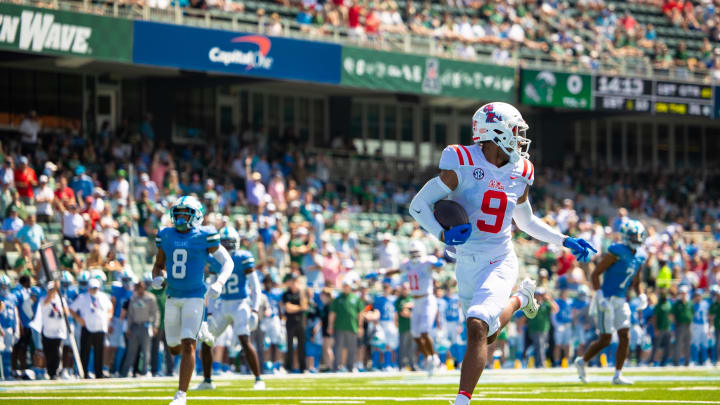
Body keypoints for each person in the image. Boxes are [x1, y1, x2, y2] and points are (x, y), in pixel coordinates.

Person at [408, 102, 596, 405]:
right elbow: (418, 205)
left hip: (499, 260)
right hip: (466, 263)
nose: (520, 138)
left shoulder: (520, 170)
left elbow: (525, 221)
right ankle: (522, 298)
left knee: (477, 325)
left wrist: (565, 240)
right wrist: (442, 234)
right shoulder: (461, 160)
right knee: (489, 334)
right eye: (515, 130)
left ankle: (461, 401)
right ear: (495, 132)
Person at [151, 196, 233, 405]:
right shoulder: (166, 235)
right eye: (177, 213)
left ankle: (181, 395)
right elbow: (159, 263)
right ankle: (202, 329)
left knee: (188, 344)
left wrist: (220, 283)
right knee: (173, 347)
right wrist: (157, 277)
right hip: (172, 296)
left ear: (195, 216)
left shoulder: (204, 235)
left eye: (184, 213)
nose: (179, 218)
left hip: (195, 296)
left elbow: (227, 262)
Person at [575, 220, 647, 385]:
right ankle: (582, 360)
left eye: (638, 236)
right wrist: (599, 295)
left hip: (621, 299)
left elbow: (636, 281)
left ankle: (618, 375)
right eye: (633, 236)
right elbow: (595, 274)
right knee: (605, 339)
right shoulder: (617, 251)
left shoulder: (640, 255)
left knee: (625, 335)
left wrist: (641, 294)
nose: (637, 239)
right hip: (605, 298)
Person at [197, 227, 264, 390]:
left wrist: (255, 310)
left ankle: (258, 379)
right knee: (207, 341)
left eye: (229, 244)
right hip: (222, 304)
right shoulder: (215, 259)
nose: (226, 248)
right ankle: (207, 381)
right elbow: (211, 288)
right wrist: (210, 313)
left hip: (240, 303)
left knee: (244, 339)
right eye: (224, 244)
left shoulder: (243, 257)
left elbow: (255, 287)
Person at [383, 240, 444, 375]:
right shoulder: (407, 264)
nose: (414, 255)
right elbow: (396, 270)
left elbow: (438, 267)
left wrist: (440, 264)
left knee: (423, 331)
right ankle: (429, 357)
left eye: (416, 252)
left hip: (427, 299)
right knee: (415, 334)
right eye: (412, 253)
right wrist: (381, 272)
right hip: (416, 302)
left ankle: (434, 358)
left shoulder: (428, 261)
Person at [69, 278, 113, 379]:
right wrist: (78, 318)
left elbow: (110, 308)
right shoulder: (82, 297)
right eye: (92, 288)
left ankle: (99, 374)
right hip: (87, 327)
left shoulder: (103, 297)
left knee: (99, 352)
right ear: (88, 288)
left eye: (96, 288)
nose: (94, 290)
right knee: (85, 352)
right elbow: (71, 309)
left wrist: (108, 318)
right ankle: (83, 373)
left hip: (100, 328)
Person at [29, 281, 68, 380]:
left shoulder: (61, 299)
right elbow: (47, 301)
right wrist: (54, 290)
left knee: (56, 353)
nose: (53, 291)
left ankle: (54, 372)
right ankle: (49, 371)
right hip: (47, 330)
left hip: (59, 331)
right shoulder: (43, 299)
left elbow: (66, 312)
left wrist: (64, 310)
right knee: (48, 352)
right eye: (50, 290)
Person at [120, 281, 159, 378]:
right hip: (135, 326)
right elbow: (130, 315)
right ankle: (125, 373)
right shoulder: (133, 298)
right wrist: (128, 328)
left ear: (145, 288)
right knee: (131, 351)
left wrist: (155, 325)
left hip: (146, 326)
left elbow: (155, 313)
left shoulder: (150, 298)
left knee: (146, 350)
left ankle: (145, 371)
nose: (140, 289)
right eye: (139, 287)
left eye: (142, 287)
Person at [328, 278, 364, 372]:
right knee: (338, 347)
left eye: (347, 286)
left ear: (350, 287)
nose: (346, 288)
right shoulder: (338, 299)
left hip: (352, 327)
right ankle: (337, 367)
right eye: (344, 286)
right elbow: (332, 313)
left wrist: (360, 326)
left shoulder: (356, 298)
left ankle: (350, 366)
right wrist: (330, 325)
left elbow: (360, 314)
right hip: (339, 326)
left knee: (352, 348)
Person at [282, 274, 308, 373]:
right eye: (292, 281)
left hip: (301, 322)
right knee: (289, 345)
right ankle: (289, 367)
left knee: (302, 346)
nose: (294, 284)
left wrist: (301, 293)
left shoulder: (302, 293)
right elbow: (288, 308)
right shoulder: (286, 294)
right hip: (290, 323)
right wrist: (299, 308)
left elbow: (305, 306)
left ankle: (303, 368)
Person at [690, 289, 710, 365]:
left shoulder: (706, 304)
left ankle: (705, 360)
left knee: (705, 343)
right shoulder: (692, 304)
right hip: (696, 324)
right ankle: (694, 360)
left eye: (699, 295)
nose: (698, 297)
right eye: (697, 295)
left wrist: (708, 327)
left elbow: (708, 315)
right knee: (695, 343)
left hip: (704, 324)